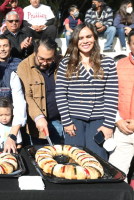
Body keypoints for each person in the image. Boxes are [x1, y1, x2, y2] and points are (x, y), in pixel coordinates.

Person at [55, 23, 118, 160]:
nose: (85, 41)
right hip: (74, 121)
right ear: (75, 41)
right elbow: (60, 94)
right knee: (74, 160)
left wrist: (108, 125)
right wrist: (66, 121)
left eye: (88, 36)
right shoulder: (66, 63)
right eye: (80, 37)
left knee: (97, 161)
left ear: (94, 38)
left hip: (98, 122)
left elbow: (111, 95)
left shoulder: (107, 63)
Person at [17, 37, 63, 145]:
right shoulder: (24, 66)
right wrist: (39, 117)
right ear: (35, 53)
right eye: (41, 59)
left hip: (59, 121)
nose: (45, 63)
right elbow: (26, 96)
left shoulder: (62, 62)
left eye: (50, 59)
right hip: (37, 125)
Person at [108, 30, 134, 181]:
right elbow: (110, 96)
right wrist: (117, 120)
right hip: (122, 129)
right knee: (116, 176)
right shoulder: (118, 65)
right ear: (129, 45)